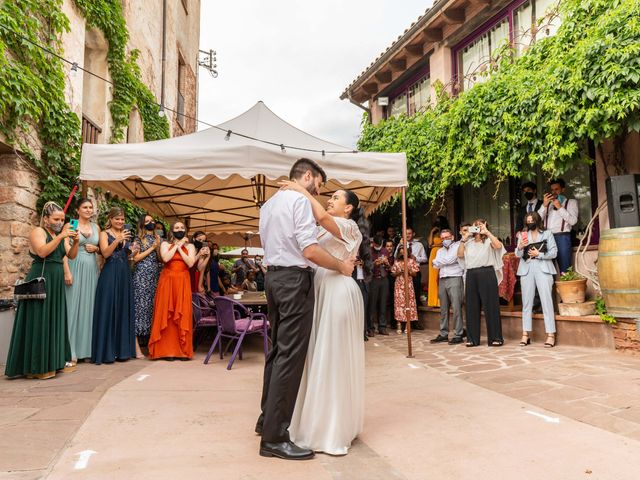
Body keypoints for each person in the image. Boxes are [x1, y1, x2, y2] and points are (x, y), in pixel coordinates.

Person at [255, 158, 354, 461]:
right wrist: (341, 266)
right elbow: (309, 250)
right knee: (290, 356)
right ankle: (275, 437)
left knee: (276, 352)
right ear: (308, 176)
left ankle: (265, 420)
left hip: (272, 280)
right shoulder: (299, 200)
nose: (320, 191)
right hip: (294, 281)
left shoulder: (268, 205)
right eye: (320, 184)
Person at [280, 180, 366, 456]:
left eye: (337, 197)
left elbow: (324, 216)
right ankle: (315, 420)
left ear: (349, 207)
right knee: (317, 355)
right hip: (319, 290)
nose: (331, 199)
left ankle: (332, 428)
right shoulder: (321, 228)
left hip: (338, 292)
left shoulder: (350, 228)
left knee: (333, 357)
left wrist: (303, 191)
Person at [5, 202, 79, 379]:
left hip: (56, 280)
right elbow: (42, 252)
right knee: (39, 319)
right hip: (42, 277)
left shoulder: (59, 235)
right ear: (46, 219)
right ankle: (36, 366)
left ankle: (53, 362)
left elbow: (72, 255)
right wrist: (61, 236)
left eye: (62, 219)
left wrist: (75, 241)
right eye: (56, 219)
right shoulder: (38, 232)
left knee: (54, 319)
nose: (60, 222)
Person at [92, 207, 138, 365]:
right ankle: (107, 352)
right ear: (110, 219)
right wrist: (118, 241)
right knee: (109, 309)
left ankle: (122, 351)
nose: (120, 221)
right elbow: (105, 253)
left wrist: (132, 252)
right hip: (110, 274)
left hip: (124, 274)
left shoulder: (126, 235)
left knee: (122, 309)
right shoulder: (104, 234)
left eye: (122, 219)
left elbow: (127, 256)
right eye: (117, 218)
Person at [148, 222, 196, 360]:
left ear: (185, 230)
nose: (179, 230)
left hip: (182, 281)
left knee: (181, 313)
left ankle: (181, 351)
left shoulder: (191, 246)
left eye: (182, 228)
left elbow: (190, 263)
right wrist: (178, 245)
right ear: (172, 231)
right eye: (176, 228)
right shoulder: (165, 244)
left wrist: (181, 248)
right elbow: (166, 258)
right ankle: (166, 350)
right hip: (167, 281)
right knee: (166, 313)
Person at [457, 219, 506, 347]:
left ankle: (496, 337)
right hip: (471, 274)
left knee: (491, 306)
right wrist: (464, 238)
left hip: (487, 273)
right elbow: (460, 255)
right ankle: (472, 339)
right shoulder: (468, 243)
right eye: (475, 225)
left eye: (480, 225)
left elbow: (499, 246)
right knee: (471, 307)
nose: (477, 227)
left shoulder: (489, 241)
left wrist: (487, 232)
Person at [63, 198, 100, 364]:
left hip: (92, 269)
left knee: (89, 307)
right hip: (75, 266)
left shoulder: (96, 227)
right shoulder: (70, 224)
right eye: (85, 207)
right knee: (72, 307)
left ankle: (87, 350)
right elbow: (64, 250)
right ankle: (70, 350)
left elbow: (102, 248)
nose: (88, 210)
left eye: (90, 207)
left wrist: (97, 248)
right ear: (77, 210)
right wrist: (67, 271)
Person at [516, 212, 558, 348]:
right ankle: (525, 334)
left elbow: (554, 252)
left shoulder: (547, 234)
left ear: (537, 220)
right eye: (527, 221)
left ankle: (550, 335)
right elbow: (518, 254)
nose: (530, 223)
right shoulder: (523, 235)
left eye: (532, 220)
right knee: (526, 303)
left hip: (543, 268)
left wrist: (538, 254)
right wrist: (520, 247)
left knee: (546, 301)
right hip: (526, 269)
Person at [132, 214, 161, 357]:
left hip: (154, 278)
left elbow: (161, 259)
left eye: (152, 220)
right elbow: (135, 258)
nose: (151, 223)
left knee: (151, 310)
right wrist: (152, 248)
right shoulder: (138, 239)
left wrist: (158, 246)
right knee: (140, 310)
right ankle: (136, 348)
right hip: (141, 277)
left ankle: (151, 345)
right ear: (142, 224)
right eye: (147, 221)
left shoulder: (157, 238)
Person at [430, 229, 465, 344]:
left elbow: (451, 259)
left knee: (456, 308)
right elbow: (434, 264)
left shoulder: (458, 246)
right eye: (443, 238)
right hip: (442, 279)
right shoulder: (439, 251)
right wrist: (439, 262)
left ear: (453, 237)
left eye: (447, 237)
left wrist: (439, 262)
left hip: (455, 278)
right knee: (443, 309)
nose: (445, 240)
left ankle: (458, 334)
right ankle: (443, 333)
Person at [538, 178, 579, 274]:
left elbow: (573, 221)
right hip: (547, 238)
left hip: (562, 237)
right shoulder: (547, 205)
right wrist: (544, 205)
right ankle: (550, 289)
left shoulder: (571, 202)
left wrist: (560, 207)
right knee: (547, 270)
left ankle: (566, 288)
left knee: (565, 269)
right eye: (552, 190)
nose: (554, 192)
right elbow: (537, 220)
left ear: (563, 190)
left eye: (556, 189)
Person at [394, 227, 427, 329]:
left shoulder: (419, 245)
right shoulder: (400, 244)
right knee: (401, 299)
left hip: (414, 272)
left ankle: (414, 322)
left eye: (409, 233)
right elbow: (396, 256)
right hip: (401, 276)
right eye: (405, 233)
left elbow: (425, 258)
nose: (407, 235)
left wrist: (415, 258)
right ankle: (402, 321)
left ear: (413, 234)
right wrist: (400, 245)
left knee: (414, 296)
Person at [391, 244, 420, 334]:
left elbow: (415, 274)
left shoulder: (411, 261)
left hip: (408, 284)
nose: (403, 251)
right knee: (399, 304)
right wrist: (398, 272)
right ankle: (399, 325)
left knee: (409, 303)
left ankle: (408, 326)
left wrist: (409, 271)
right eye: (401, 250)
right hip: (399, 285)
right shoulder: (396, 262)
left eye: (405, 250)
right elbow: (392, 273)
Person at [368, 235, 391, 336]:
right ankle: (371, 328)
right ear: (373, 244)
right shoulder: (368, 251)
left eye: (380, 245)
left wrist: (386, 263)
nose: (378, 247)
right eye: (377, 245)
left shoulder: (385, 251)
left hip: (384, 279)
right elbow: (366, 267)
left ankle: (382, 327)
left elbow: (390, 267)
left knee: (383, 303)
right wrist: (374, 264)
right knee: (372, 304)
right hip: (373, 279)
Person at [384, 239, 396, 329]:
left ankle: (393, 322)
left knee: (392, 300)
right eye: (387, 246)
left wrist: (388, 265)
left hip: (392, 280)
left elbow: (394, 270)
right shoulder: (381, 257)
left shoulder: (395, 258)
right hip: (383, 279)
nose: (389, 248)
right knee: (384, 300)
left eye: (390, 246)